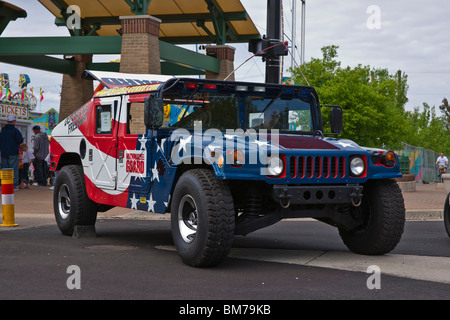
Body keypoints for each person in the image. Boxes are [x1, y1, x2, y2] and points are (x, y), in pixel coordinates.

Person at [0, 115, 25, 190]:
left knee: (5, 169)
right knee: (13, 169)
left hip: (4, 152)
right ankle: (13, 185)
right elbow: (20, 140)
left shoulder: (2, 130)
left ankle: (5, 184)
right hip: (13, 152)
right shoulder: (15, 130)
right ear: (13, 121)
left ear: (7, 122)